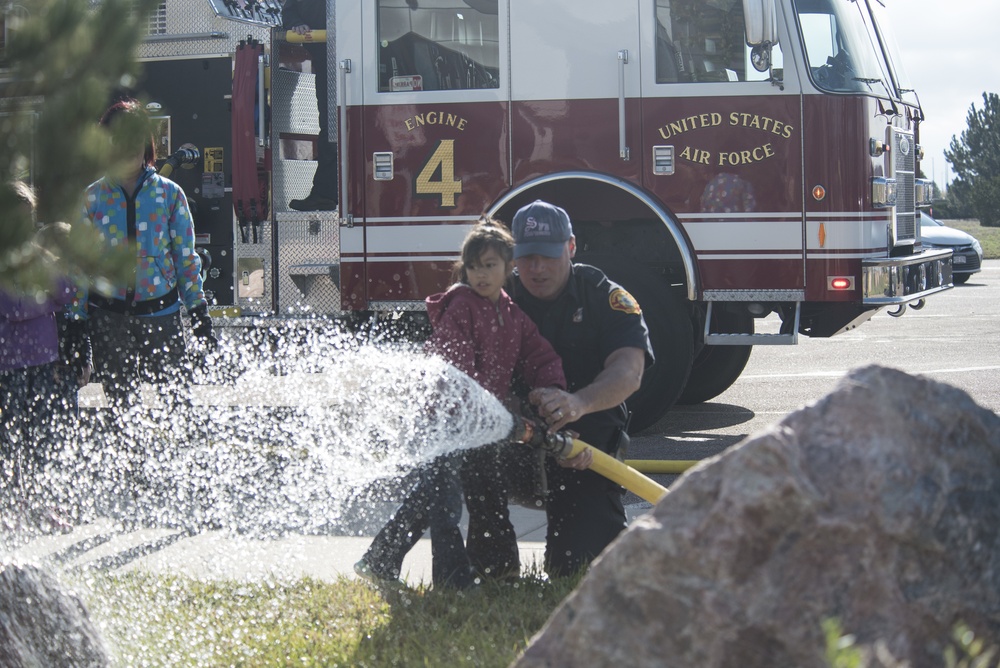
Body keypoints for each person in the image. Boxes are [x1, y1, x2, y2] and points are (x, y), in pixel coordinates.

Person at [354, 218, 566, 590]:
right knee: (445, 506)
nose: (481, 275)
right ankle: (452, 584)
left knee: (465, 495)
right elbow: (456, 374)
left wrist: (550, 389)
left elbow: (539, 356)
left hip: (478, 428)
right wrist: (483, 411)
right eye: (474, 267)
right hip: (446, 425)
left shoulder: (512, 314)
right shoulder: (461, 308)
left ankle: (383, 560)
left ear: (508, 266)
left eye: (489, 266)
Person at [463, 200, 655, 578]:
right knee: (475, 453)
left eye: (548, 256)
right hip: (518, 442)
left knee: (579, 569)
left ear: (571, 247)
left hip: (587, 452)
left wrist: (578, 404)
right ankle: (495, 570)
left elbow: (629, 372)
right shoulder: (493, 299)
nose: (536, 268)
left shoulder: (605, 297)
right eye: (527, 257)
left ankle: (575, 548)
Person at [69, 98, 215, 409]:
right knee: (123, 407)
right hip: (109, 318)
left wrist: (198, 312)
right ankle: (131, 455)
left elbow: (185, 257)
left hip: (161, 314)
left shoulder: (169, 194)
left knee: (177, 400)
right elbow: (79, 264)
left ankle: (177, 452)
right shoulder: (92, 198)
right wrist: (77, 322)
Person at [0, 181, 82, 533]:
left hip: (43, 359)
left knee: (42, 439)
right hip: (9, 365)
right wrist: (42, 301)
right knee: (10, 438)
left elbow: (69, 292)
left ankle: (42, 505)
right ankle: (10, 507)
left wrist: (43, 297)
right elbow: (12, 309)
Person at [282, 0, 338, 212]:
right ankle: (327, 192)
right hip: (328, 61)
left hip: (354, 60)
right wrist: (296, 23)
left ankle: (327, 192)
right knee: (331, 130)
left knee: (335, 130)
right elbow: (289, 11)